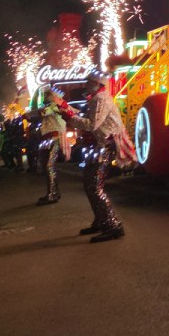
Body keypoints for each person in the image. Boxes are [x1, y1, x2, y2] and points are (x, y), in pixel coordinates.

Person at [61, 68, 134, 243]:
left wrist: (68, 116)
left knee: (94, 186)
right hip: (99, 146)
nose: (86, 85)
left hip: (105, 147)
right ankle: (101, 221)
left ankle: (113, 225)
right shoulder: (97, 99)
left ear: (98, 84)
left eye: (89, 82)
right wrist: (65, 108)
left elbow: (92, 124)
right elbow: (89, 119)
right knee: (89, 184)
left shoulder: (101, 99)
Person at [34, 87, 72, 205]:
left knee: (49, 166)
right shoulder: (51, 105)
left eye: (46, 95)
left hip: (54, 139)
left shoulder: (53, 106)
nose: (44, 97)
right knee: (48, 166)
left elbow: (43, 112)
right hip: (48, 139)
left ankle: (52, 194)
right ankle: (54, 192)